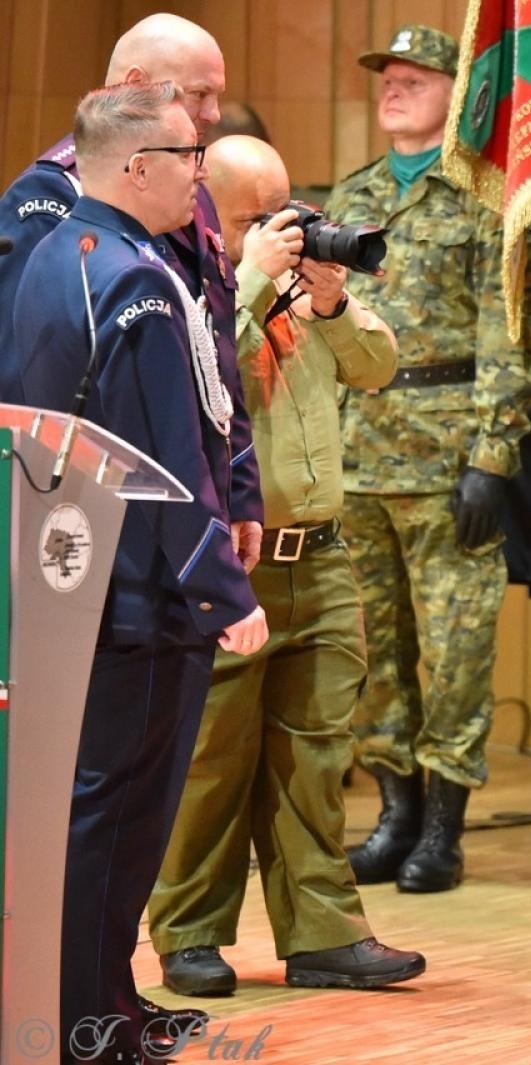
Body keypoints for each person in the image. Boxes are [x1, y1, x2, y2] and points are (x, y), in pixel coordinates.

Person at [8, 82, 269, 1065]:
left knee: (93, 809)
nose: (202, 172)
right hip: (139, 593)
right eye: (192, 155)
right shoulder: (141, 279)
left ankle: (99, 995)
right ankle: (90, 1022)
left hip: (65, 567)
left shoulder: (55, 255)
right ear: (141, 167)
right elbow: (156, 457)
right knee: (119, 810)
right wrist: (222, 592)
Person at [147, 136, 425, 996]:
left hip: (323, 560)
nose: (277, 230)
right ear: (209, 216)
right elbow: (196, 381)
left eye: (283, 210)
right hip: (235, 561)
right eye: (251, 219)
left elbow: (377, 367)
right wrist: (254, 277)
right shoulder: (180, 289)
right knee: (213, 756)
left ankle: (323, 935)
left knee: (316, 754)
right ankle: (189, 932)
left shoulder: (299, 292)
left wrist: (333, 302)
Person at [327, 24, 531, 894]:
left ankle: (444, 828)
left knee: (457, 650)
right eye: (386, 75)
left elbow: (512, 333)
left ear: (456, 94)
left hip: (449, 448)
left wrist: (493, 456)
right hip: (359, 457)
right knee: (376, 649)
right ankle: (395, 811)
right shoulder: (348, 201)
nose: (393, 88)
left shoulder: (485, 202)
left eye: (415, 77)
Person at [0, 13, 263, 582]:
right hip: (93, 524)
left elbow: (215, 360)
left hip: (192, 510)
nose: (216, 114)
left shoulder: (195, 195)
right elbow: (25, 374)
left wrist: (238, 495)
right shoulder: (53, 196)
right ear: (135, 85)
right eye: (200, 94)